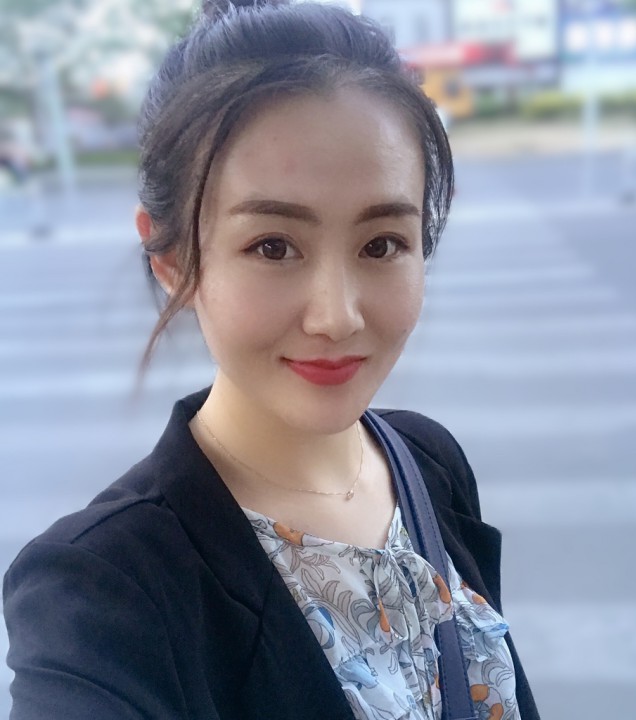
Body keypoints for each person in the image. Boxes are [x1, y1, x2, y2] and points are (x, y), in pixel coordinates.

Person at [3, 1, 540, 718]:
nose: (336, 316)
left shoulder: (429, 462)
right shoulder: (102, 592)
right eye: (273, 247)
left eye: (381, 244)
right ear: (172, 258)